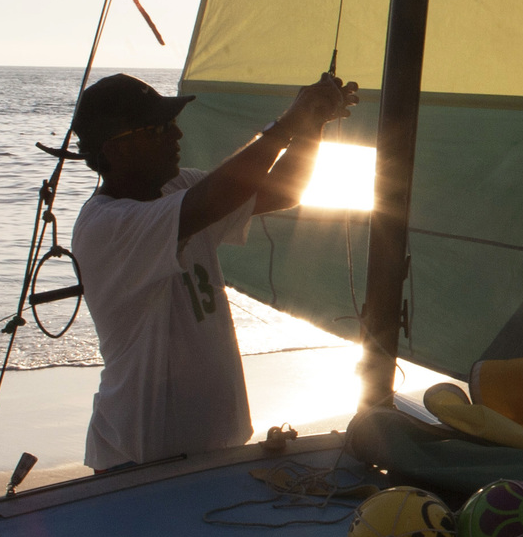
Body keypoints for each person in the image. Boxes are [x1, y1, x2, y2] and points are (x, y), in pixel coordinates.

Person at [69, 71, 358, 470]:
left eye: (172, 125)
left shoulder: (177, 188)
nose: (176, 137)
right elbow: (215, 196)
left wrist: (312, 126)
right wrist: (289, 123)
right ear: (114, 150)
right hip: (140, 458)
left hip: (213, 446)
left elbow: (282, 189)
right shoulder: (107, 225)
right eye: (157, 129)